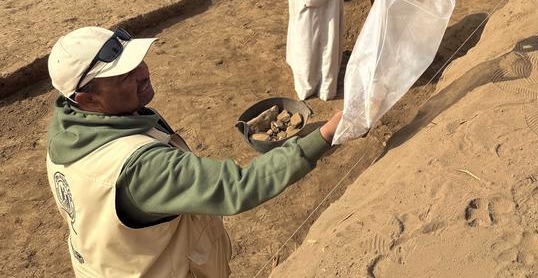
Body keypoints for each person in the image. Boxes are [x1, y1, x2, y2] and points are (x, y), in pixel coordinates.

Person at [46, 26, 345, 277]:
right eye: (125, 76)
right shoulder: (140, 167)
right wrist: (327, 133)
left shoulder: (68, 130)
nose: (143, 73)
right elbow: (239, 186)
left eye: (138, 62)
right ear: (88, 100)